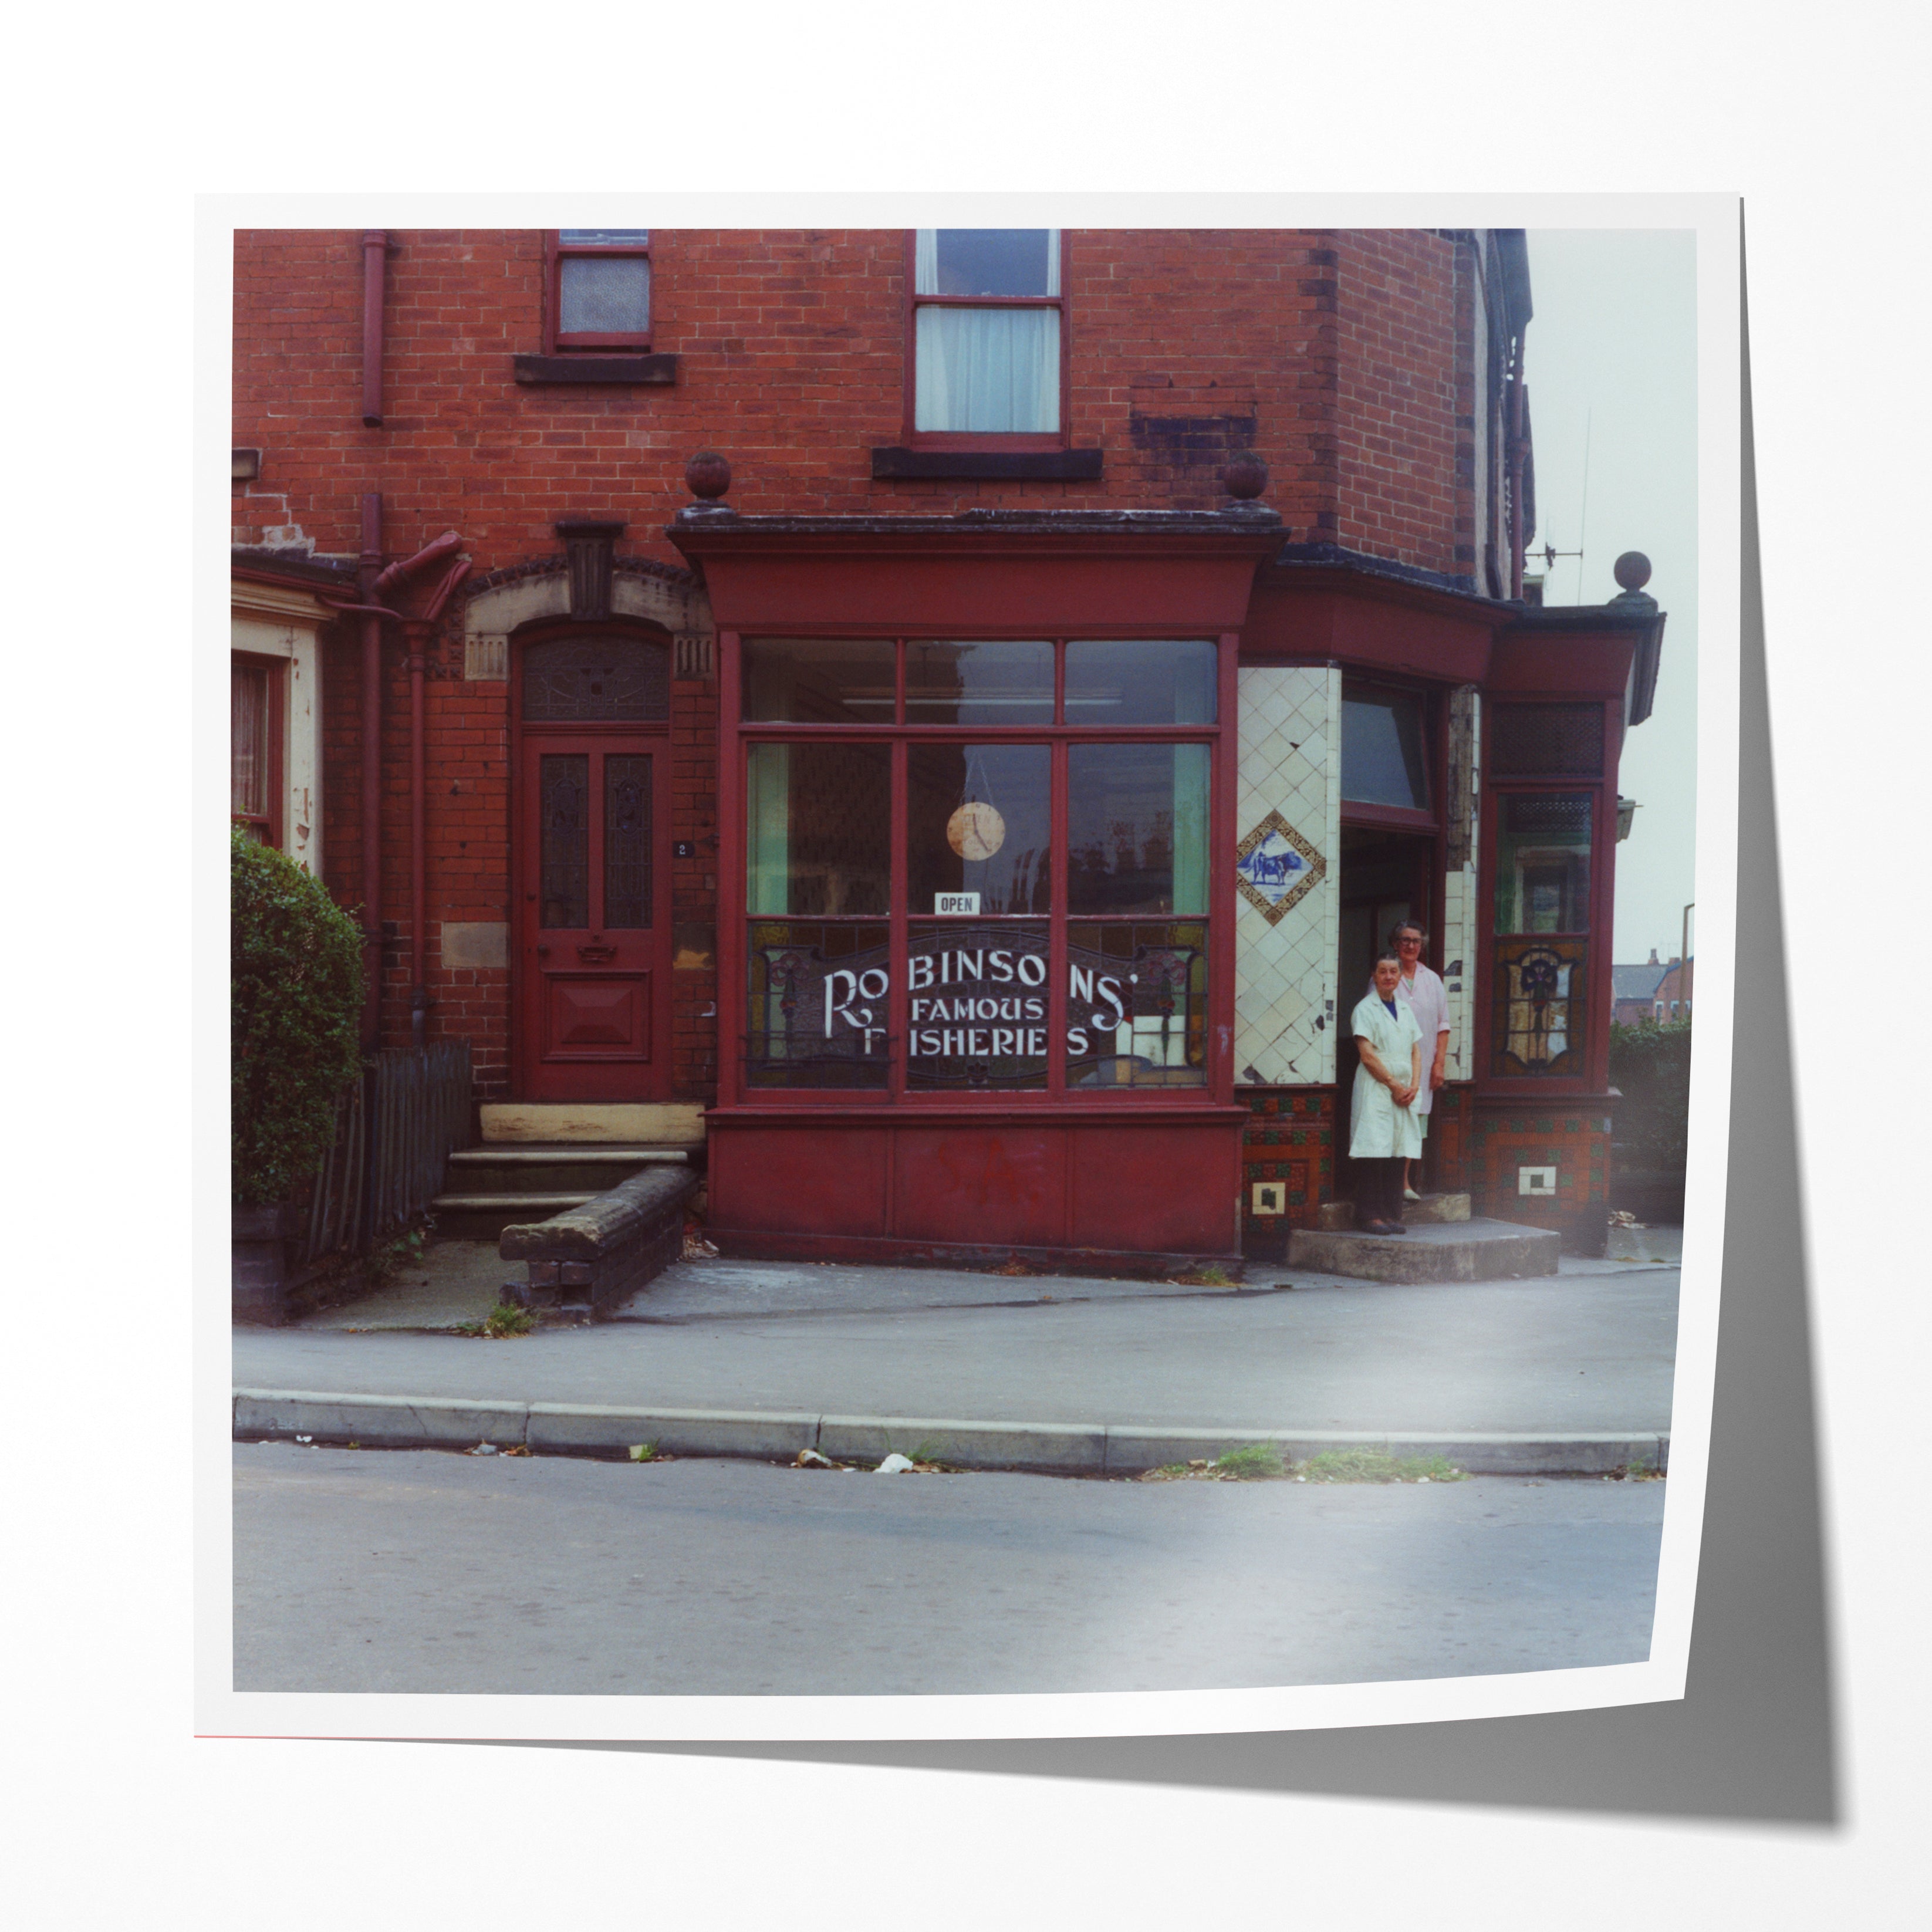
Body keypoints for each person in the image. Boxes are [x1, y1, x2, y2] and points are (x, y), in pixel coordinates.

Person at [1350, 950, 1423, 1235]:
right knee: (1374, 1150)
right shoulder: (1365, 1009)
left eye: (1394, 971)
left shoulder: (1405, 1010)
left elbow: (1416, 1050)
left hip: (1404, 1090)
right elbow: (1367, 1056)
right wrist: (1393, 1085)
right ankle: (1369, 1216)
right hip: (1377, 1087)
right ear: (1374, 975)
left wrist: (1414, 1086)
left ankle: (1392, 1215)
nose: (1389, 977)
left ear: (1400, 975)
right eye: (1383, 972)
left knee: (1397, 1150)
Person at [1390, 918, 1451, 1202]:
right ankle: (1389, 1185)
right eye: (1405, 940)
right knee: (1392, 1122)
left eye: (1416, 941)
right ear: (1395, 944)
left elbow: (1443, 1025)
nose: (1411, 946)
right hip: (1391, 1064)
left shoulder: (1433, 980)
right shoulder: (1387, 975)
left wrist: (1439, 1064)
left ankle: (1404, 1183)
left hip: (1424, 1065)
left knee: (1414, 1123)